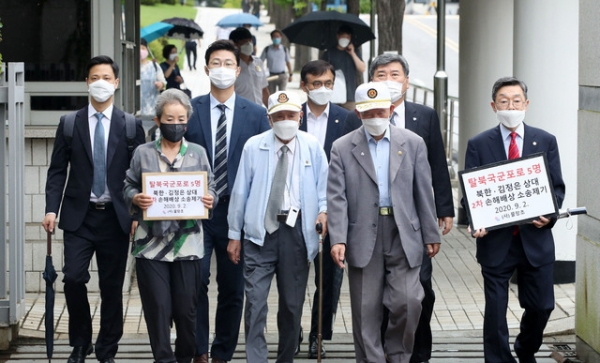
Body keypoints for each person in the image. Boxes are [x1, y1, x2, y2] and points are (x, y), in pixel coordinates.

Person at [344, 53, 454, 363]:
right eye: (381, 74)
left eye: (395, 74)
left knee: (417, 295)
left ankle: (415, 354)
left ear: (406, 80)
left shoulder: (423, 117)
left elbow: (434, 167)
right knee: (371, 301)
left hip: (411, 224)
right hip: (369, 226)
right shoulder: (358, 124)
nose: (389, 80)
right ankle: (376, 353)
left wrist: (442, 210)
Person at [42, 55, 145, 363]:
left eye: (106, 77)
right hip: (79, 216)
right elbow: (57, 170)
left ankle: (107, 348)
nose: (100, 82)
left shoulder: (130, 126)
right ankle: (80, 341)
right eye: (94, 77)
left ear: (116, 82)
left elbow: (142, 174)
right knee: (73, 277)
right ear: (87, 82)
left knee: (112, 287)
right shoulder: (70, 123)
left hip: (116, 218)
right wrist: (51, 209)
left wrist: (137, 215)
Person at [327, 82, 440, 363]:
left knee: (409, 301)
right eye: (368, 112)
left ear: (391, 109)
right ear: (358, 114)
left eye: (380, 110)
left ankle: (398, 354)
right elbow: (336, 197)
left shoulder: (412, 143)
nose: (375, 116)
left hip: (404, 233)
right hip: (363, 233)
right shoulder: (343, 147)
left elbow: (423, 191)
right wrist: (338, 238)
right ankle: (371, 360)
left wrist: (431, 233)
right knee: (366, 308)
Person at [463, 77, 565, 363]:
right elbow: (471, 191)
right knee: (495, 309)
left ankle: (525, 347)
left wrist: (550, 216)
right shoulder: (479, 143)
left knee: (542, 306)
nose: (511, 106)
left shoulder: (544, 140)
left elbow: (557, 187)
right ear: (494, 105)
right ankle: (498, 360)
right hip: (496, 240)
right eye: (504, 101)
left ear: (527, 104)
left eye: (516, 100)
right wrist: (475, 220)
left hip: (535, 238)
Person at [226, 91, 329, 363]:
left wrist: (323, 212)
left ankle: (285, 358)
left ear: (300, 116)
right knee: (256, 303)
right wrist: (234, 235)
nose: (285, 121)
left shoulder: (312, 146)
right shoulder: (254, 146)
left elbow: (323, 190)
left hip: (296, 233)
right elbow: (240, 192)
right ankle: (256, 359)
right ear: (269, 119)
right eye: (279, 116)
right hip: (259, 234)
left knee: (292, 306)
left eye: (291, 115)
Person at [185, 40, 270, 363]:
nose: (221, 69)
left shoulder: (257, 114)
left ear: (238, 69)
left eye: (228, 63)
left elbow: (264, 165)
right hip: (197, 212)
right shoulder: (191, 109)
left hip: (239, 216)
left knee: (233, 290)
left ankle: (222, 352)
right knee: (196, 281)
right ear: (206, 68)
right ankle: (199, 350)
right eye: (215, 63)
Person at [124, 89, 217, 363]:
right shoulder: (143, 153)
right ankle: (163, 359)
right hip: (150, 246)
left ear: (186, 122)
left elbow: (211, 187)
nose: (175, 124)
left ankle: (185, 357)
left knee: (187, 311)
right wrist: (134, 197)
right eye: (169, 118)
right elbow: (128, 184)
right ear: (157, 120)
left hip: (188, 245)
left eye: (180, 119)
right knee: (158, 308)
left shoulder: (197, 153)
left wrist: (210, 198)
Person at [297, 59, 349, 358]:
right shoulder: (291, 115)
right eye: (316, 84)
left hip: (334, 210)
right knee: (293, 278)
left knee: (328, 280)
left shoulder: (347, 118)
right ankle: (293, 330)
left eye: (328, 83)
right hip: (296, 210)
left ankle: (319, 334)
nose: (322, 89)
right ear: (305, 85)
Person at [321, 25, 366, 111]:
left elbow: (362, 68)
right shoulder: (329, 53)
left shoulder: (355, 52)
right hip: (333, 93)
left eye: (347, 36)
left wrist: (352, 53)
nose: (345, 38)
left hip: (350, 95)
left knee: (352, 119)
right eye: (343, 36)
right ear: (338, 36)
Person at [229, 27, 269, 106]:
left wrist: (272, 111)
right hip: (240, 112)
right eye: (244, 42)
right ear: (235, 44)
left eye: (250, 41)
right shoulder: (230, 67)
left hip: (258, 111)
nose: (249, 44)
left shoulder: (258, 62)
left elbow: (264, 89)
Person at [139, 38, 166, 120]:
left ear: (147, 49)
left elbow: (163, 83)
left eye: (143, 48)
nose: (141, 51)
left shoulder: (154, 66)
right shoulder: (130, 65)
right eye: (138, 48)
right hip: (136, 109)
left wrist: (160, 85)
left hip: (152, 108)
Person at [260, 29, 293, 94]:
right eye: (274, 37)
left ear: (281, 37)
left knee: (282, 94)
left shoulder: (284, 49)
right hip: (271, 75)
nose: (276, 38)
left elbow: (288, 62)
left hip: (282, 75)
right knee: (271, 94)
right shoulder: (267, 49)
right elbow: (260, 61)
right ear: (272, 38)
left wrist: (290, 74)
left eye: (278, 37)